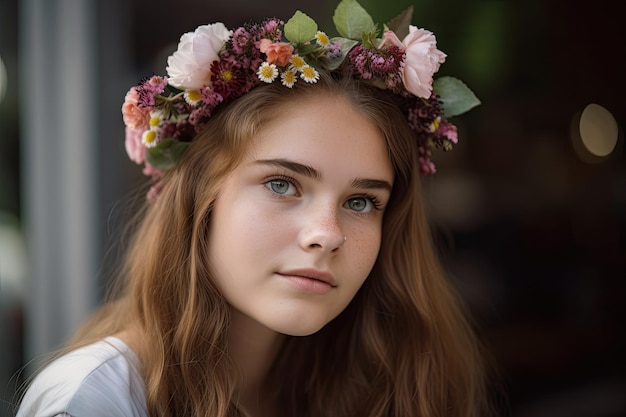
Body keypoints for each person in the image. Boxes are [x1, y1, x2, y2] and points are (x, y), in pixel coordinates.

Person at [15, 0, 496, 416]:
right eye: (282, 184)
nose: (326, 234)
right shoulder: (93, 403)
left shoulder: (391, 388)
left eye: (360, 201)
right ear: (202, 196)